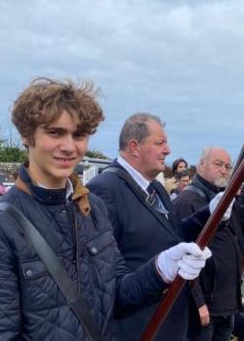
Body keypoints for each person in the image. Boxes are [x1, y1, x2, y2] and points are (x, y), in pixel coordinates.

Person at [0, 78, 211, 340]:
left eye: (79, 135)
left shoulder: (93, 210)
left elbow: (118, 297)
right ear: (27, 135)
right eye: (55, 132)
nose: (70, 146)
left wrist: (160, 269)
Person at [86, 113, 224, 341]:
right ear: (134, 147)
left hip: (170, 319)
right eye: (160, 143)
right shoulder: (104, 189)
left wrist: (210, 214)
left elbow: (174, 235)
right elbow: (105, 274)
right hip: (139, 324)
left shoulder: (156, 188)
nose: (168, 150)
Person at [174, 147, 244, 341]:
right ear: (201, 165)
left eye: (228, 166)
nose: (224, 170)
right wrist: (198, 302)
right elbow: (181, 256)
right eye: (218, 164)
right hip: (203, 306)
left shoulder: (225, 197)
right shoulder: (187, 202)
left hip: (226, 300)